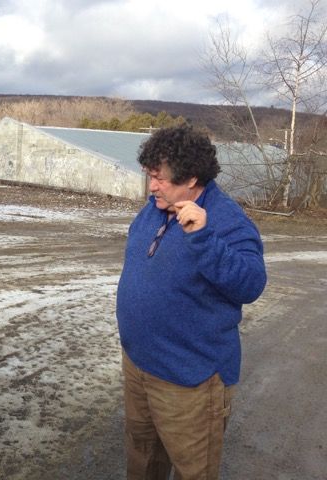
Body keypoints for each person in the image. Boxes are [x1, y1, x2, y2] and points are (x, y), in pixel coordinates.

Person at [116, 125, 267, 480]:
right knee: (142, 461)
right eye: (149, 175)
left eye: (160, 178)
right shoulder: (154, 209)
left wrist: (203, 238)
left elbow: (251, 284)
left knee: (192, 471)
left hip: (190, 380)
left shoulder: (227, 220)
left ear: (192, 178)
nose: (151, 186)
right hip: (139, 365)